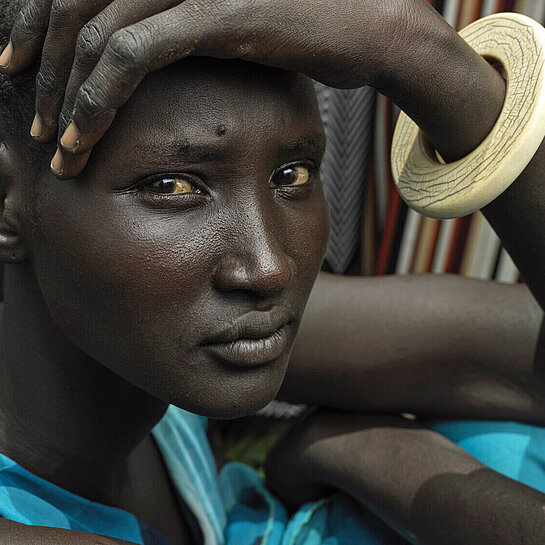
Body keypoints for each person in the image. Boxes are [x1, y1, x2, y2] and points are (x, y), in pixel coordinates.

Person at [2, 0, 545, 544]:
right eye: (173, 187)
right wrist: (387, 460)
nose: (267, 267)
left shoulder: (147, 329)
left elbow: (521, 355)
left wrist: (410, 47)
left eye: (293, 173)